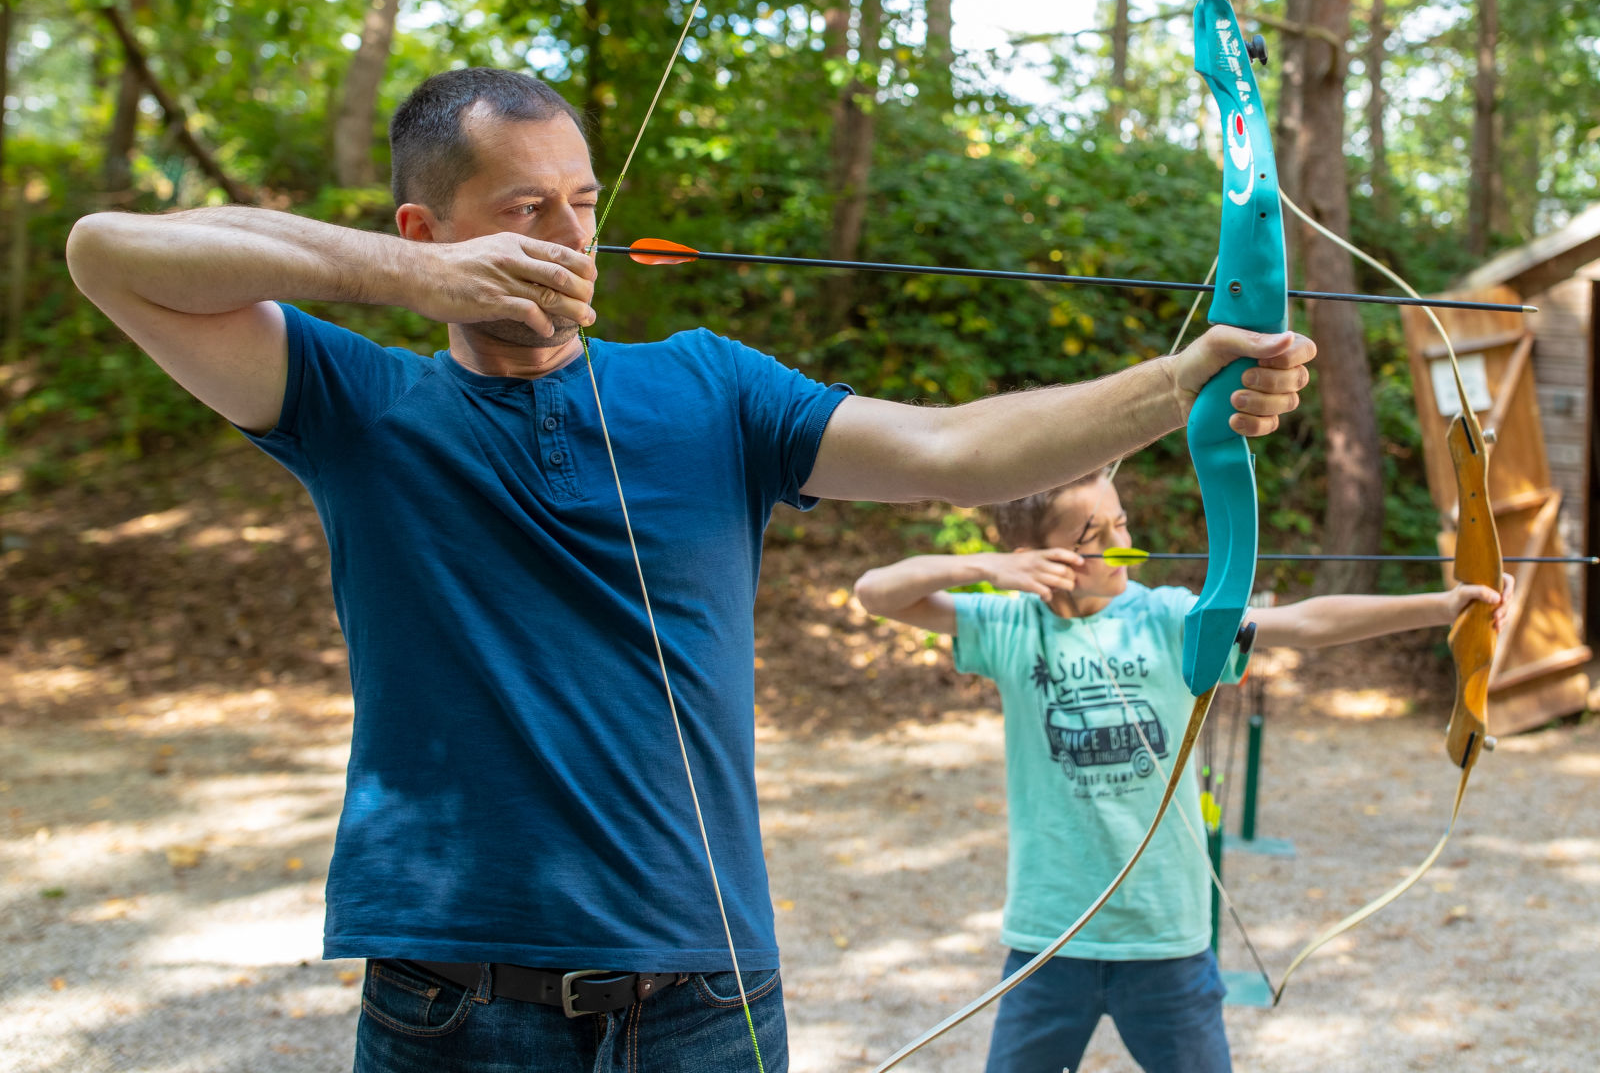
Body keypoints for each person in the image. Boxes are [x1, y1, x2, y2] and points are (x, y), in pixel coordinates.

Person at [63, 67, 1318, 1073]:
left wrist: (1181, 382)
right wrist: (412, 282)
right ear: (423, 227)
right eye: (524, 211)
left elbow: (954, 449)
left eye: (585, 204)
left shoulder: (707, 387)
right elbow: (109, 251)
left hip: (705, 998)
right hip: (453, 1007)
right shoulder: (357, 401)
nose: (571, 238)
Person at [853, 467, 1509, 1073]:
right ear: (1041, 557)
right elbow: (874, 592)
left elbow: (1303, 625)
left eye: (1122, 522)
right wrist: (990, 567)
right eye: (1093, 536)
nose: (1122, 541)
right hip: (1050, 940)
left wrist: (1443, 606)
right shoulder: (1010, 625)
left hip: (1164, 938)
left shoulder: (1169, 617)